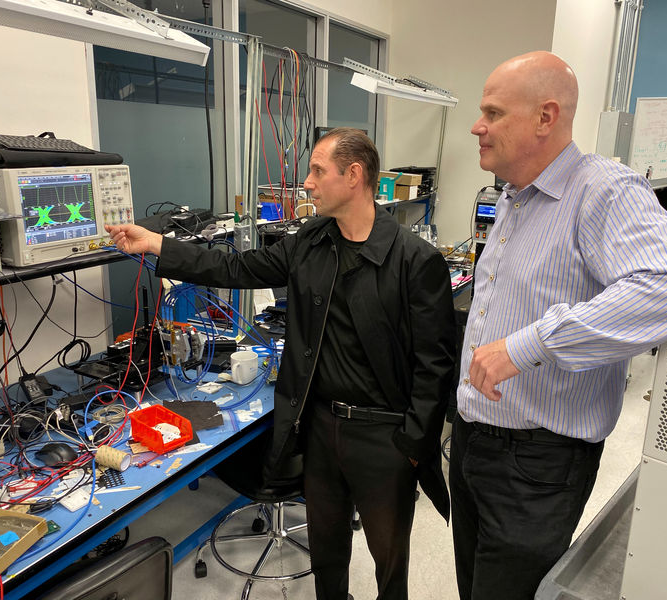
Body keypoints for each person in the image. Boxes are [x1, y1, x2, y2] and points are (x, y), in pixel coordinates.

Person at [106, 127, 457, 600]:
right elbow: (237, 268)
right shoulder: (311, 240)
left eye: (317, 171)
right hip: (320, 426)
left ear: (353, 176)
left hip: (384, 436)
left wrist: (411, 445)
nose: (307, 183)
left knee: (388, 559)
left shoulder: (415, 260)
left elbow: (435, 367)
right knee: (327, 550)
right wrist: (157, 245)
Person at [451, 51, 667, 600]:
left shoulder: (603, 191)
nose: (478, 126)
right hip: (476, 440)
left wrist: (530, 345)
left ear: (546, 117)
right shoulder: (512, 197)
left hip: (535, 460)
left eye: (493, 113)